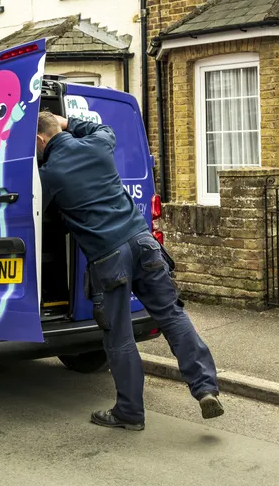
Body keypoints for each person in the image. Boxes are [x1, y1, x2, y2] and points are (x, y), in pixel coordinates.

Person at [36, 111, 223, 431]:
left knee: (119, 334)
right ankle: (205, 387)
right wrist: (67, 122)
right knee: (172, 316)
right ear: (60, 129)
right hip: (143, 243)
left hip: (110, 258)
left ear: (41, 140)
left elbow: (42, 214)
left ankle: (130, 412)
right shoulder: (97, 145)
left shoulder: (49, 173)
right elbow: (104, 128)